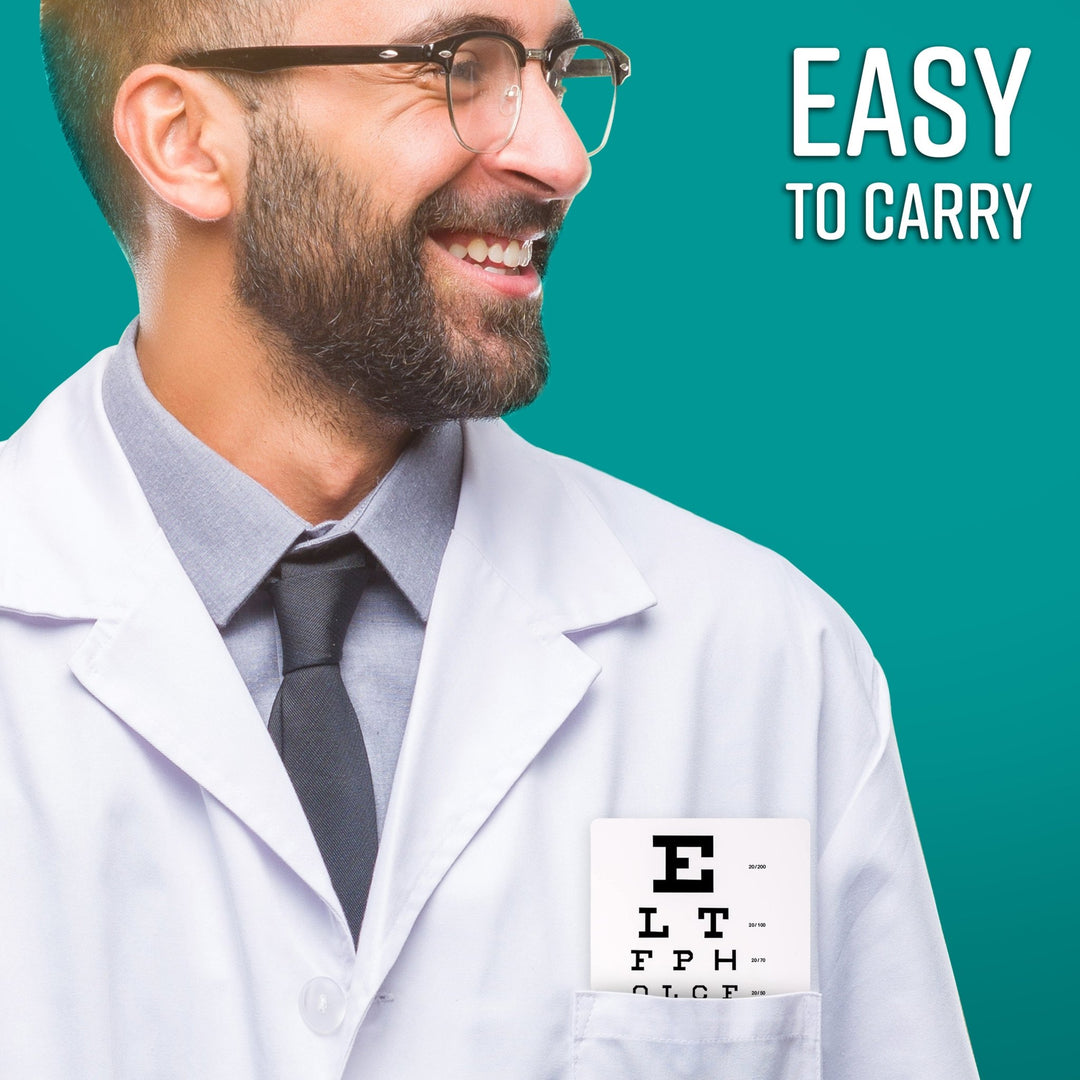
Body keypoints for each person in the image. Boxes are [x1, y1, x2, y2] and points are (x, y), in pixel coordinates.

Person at [0, 0, 978, 1076]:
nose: (562, 156)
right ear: (186, 142)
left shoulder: (763, 665)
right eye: (457, 65)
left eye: (557, 69)